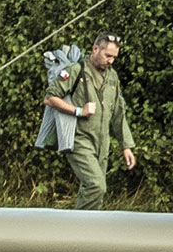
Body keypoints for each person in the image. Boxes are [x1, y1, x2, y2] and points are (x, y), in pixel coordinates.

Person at [50, 32, 139, 208]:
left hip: (102, 142)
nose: (111, 61)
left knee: (92, 192)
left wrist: (126, 146)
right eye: (108, 56)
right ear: (95, 49)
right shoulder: (76, 71)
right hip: (80, 138)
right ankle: (82, 229)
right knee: (96, 186)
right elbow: (51, 98)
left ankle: (83, 229)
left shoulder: (112, 77)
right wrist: (78, 111)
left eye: (114, 57)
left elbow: (118, 113)